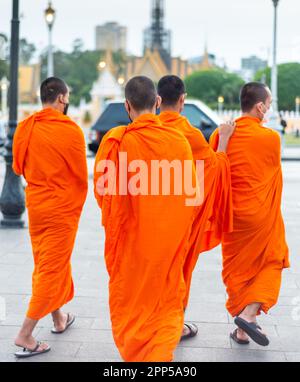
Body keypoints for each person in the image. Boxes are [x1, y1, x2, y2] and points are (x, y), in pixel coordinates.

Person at [94, 76, 202, 362]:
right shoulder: (179, 141)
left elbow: (103, 194)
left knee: (133, 307)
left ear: (127, 105)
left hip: (132, 247)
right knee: (166, 306)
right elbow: (191, 196)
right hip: (167, 245)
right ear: (156, 102)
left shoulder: (117, 142)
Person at [13, 77, 88, 358]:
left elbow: (18, 167)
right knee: (50, 268)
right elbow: (81, 175)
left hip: (36, 207)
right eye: (67, 97)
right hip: (60, 209)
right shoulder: (71, 131)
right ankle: (25, 334)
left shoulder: (26, 127)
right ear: (62, 98)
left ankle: (58, 318)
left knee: (49, 263)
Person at [210, 82, 290, 346]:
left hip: (231, 218)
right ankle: (248, 313)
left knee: (238, 271)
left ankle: (244, 328)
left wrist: (224, 139)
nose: (268, 109)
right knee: (272, 261)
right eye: (268, 104)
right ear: (259, 106)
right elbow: (272, 176)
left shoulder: (220, 135)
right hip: (259, 216)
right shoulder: (270, 138)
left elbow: (213, 172)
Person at [158, 75, 235, 339]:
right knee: (179, 269)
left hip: (150, 219)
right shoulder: (190, 134)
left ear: (157, 100)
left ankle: (155, 320)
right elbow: (215, 167)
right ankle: (174, 324)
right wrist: (223, 139)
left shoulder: (147, 131)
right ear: (182, 100)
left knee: (154, 270)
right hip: (181, 220)